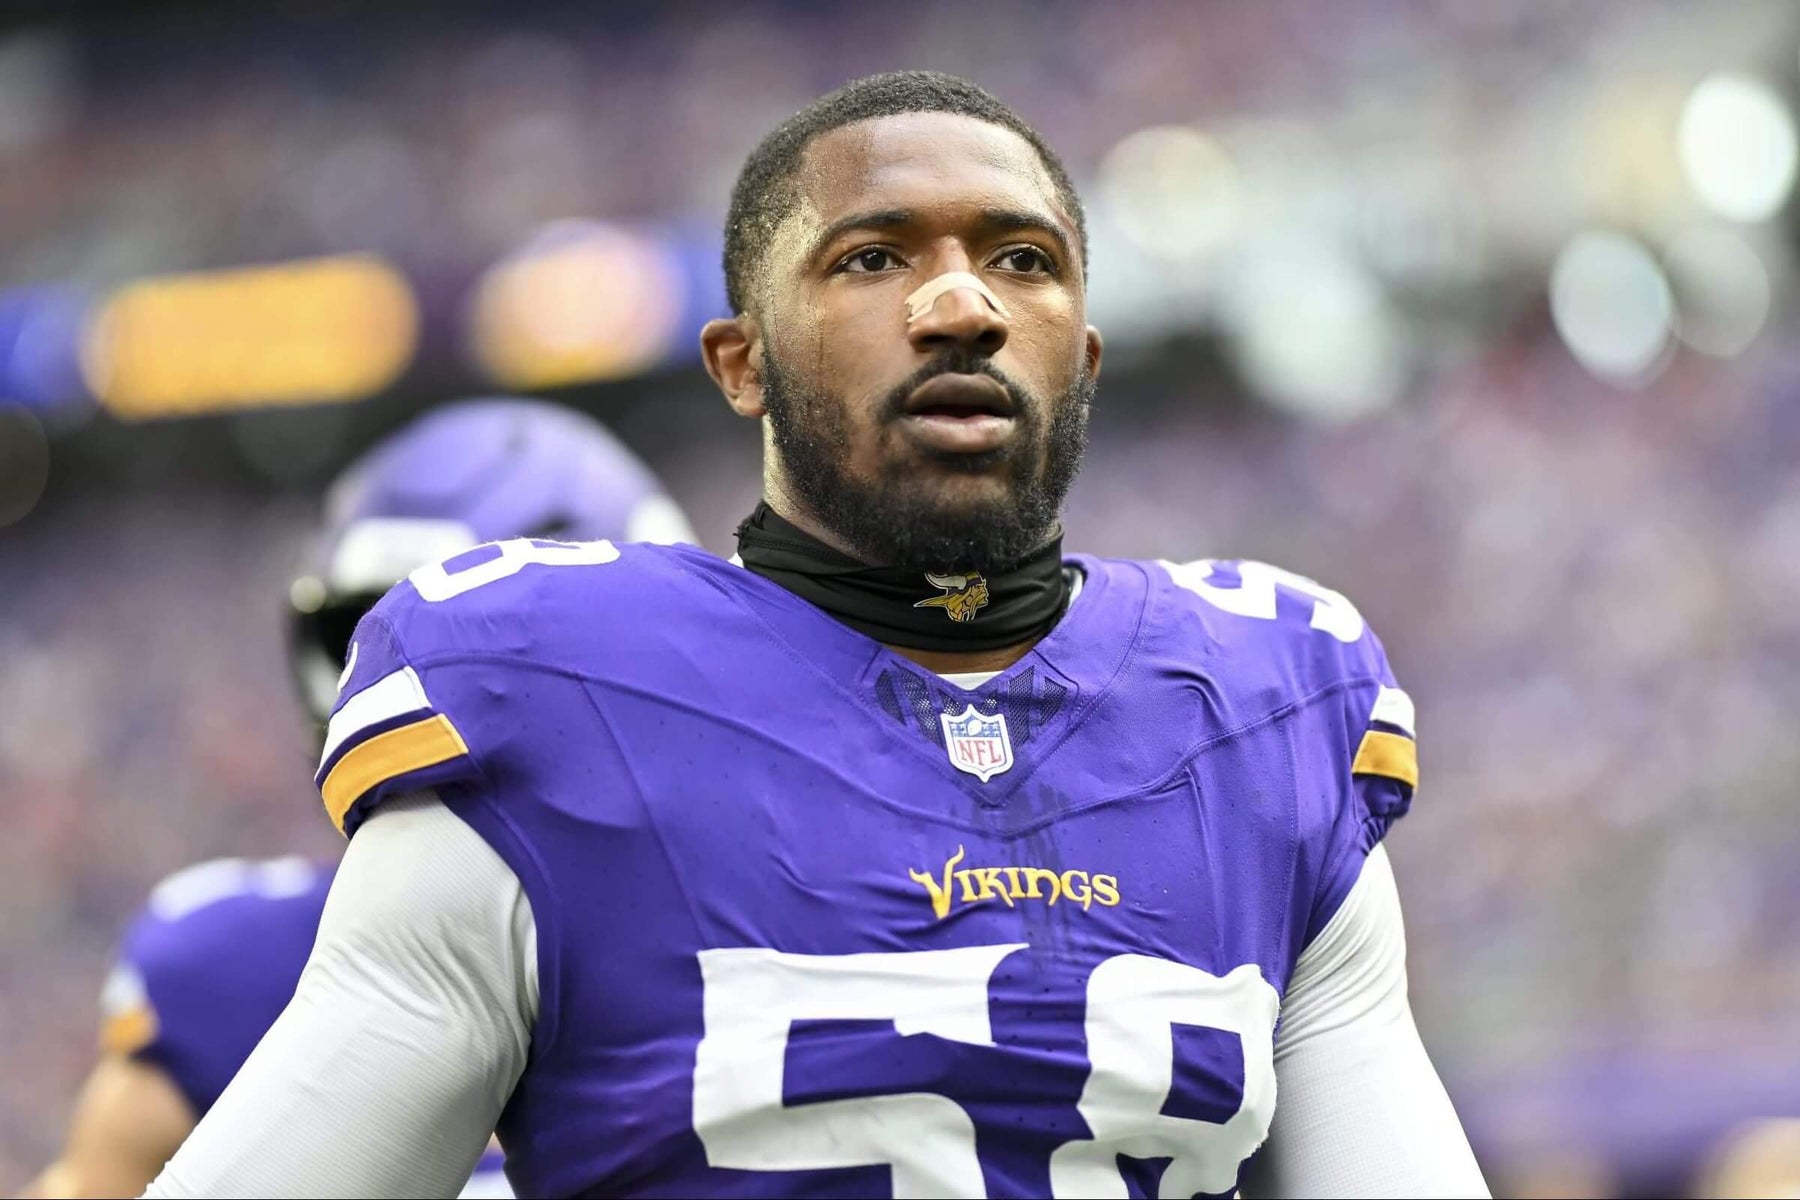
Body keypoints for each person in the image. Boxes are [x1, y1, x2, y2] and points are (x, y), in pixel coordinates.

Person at [145, 71, 1490, 1198]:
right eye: (873, 257)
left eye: (1022, 259)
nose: (962, 305)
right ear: (743, 364)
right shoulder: (554, 693)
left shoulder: (1263, 712)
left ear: (1082, 359)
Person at [21, 398, 694, 1199]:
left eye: (480, 655)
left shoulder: (772, 948)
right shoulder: (236, 974)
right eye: (371, 638)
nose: (405, 692)